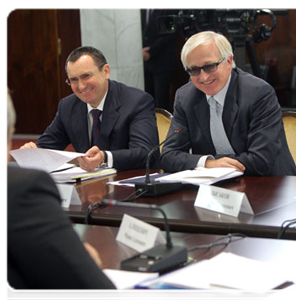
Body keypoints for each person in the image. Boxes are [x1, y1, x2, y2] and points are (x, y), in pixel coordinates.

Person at [5, 86, 119, 300]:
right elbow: (93, 291)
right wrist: (84, 260)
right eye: (73, 79)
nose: (81, 85)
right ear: (10, 129)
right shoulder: (22, 189)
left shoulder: (134, 99)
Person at [160, 31, 296, 176]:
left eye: (210, 66)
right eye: (194, 70)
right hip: (217, 188)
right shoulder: (185, 97)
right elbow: (168, 156)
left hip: (270, 184)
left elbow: (260, 160)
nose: (204, 77)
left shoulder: (258, 94)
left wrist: (212, 165)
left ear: (229, 61)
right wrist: (208, 163)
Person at [20, 46, 159, 171]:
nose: (81, 86)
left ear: (106, 71)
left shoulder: (136, 101)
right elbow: (48, 146)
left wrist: (104, 157)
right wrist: (34, 152)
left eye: (86, 76)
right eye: (73, 80)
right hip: (89, 188)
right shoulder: (67, 106)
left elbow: (146, 152)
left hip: (127, 184)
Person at [142, 8, 178, 111]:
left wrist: (151, 50)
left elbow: (170, 34)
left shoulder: (168, 7)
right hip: (145, 64)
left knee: (161, 102)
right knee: (147, 100)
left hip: (162, 63)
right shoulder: (141, 9)